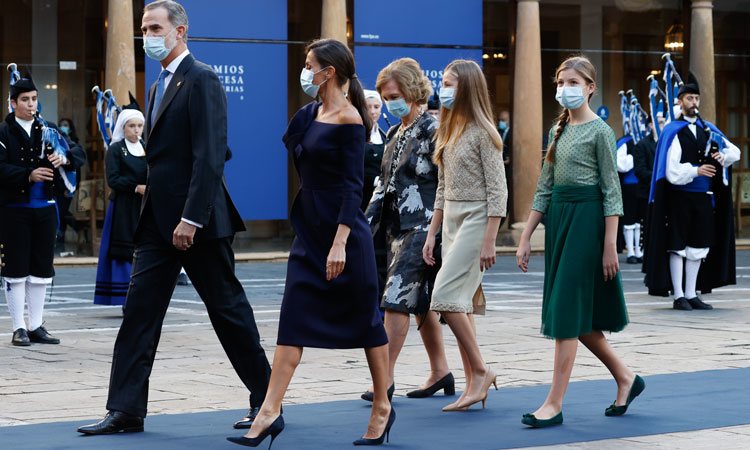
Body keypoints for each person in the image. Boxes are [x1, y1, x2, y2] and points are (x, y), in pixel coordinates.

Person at [77, 0, 271, 435]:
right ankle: (126, 410)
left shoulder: (201, 79)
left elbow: (211, 155)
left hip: (197, 222)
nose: (147, 34)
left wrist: (192, 218)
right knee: (139, 314)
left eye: (154, 27)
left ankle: (267, 400)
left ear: (180, 30)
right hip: (156, 223)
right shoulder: (159, 84)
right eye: (144, 28)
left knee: (228, 312)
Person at [228, 38, 393, 448]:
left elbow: (354, 187)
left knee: (368, 324)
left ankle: (383, 407)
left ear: (328, 71)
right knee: (293, 321)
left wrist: (340, 244)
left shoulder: (352, 119)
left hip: (343, 234)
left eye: (309, 65)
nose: (304, 71)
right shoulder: (310, 112)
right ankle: (269, 411)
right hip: (309, 232)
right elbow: (295, 146)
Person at [516, 55, 643, 428]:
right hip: (560, 223)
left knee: (567, 313)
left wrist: (609, 244)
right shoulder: (557, 131)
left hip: (587, 223)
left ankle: (554, 404)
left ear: (590, 87)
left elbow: (611, 191)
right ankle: (626, 377)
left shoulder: (601, 131)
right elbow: (543, 189)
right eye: (560, 83)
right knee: (573, 313)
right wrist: (525, 237)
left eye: (573, 83)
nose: (565, 89)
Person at [359, 57, 453, 404]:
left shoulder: (433, 129)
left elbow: (448, 181)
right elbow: (383, 185)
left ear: (413, 92)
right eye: (384, 96)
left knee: (396, 300)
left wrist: (443, 228)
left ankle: (385, 377)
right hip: (395, 228)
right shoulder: (394, 132)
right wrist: (364, 226)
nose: (389, 101)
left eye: (394, 94)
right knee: (421, 301)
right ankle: (440, 369)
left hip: (425, 225)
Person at [422, 59, 507, 412]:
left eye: (449, 82)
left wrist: (490, 239)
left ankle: (482, 370)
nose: (442, 87)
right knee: (463, 304)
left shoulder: (484, 132)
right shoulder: (447, 129)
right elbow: (442, 189)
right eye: (442, 81)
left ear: (467, 87)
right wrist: (432, 234)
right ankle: (474, 381)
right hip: (453, 220)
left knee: (443, 297)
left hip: (476, 219)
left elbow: (498, 192)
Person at [643, 73, 740, 310]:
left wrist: (722, 156)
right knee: (677, 245)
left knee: (698, 245)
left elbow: (734, 151)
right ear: (680, 102)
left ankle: (691, 293)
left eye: (696, 98)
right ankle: (678, 295)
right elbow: (671, 169)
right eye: (689, 98)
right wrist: (696, 171)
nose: (694, 102)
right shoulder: (673, 131)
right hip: (680, 198)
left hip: (704, 199)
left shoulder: (709, 129)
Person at [0, 74, 74, 346]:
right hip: (14, 209)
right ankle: (18, 327)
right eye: (25, 100)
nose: (31, 104)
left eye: (34, 99)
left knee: (42, 268)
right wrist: (27, 175)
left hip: (45, 208)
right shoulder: (3, 132)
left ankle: (36, 325)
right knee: (16, 268)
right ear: (13, 102)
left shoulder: (49, 129)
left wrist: (63, 157)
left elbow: (77, 153)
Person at [93, 108, 147, 307]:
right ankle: (125, 298)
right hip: (123, 207)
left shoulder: (146, 147)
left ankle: (142, 296)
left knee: (144, 250)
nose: (136, 130)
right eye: (131, 126)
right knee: (124, 252)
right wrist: (135, 187)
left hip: (143, 206)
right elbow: (113, 180)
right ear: (123, 128)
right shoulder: (116, 149)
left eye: (139, 126)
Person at [632, 114, 665, 245]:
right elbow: (640, 171)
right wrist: (661, 176)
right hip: (647, 193)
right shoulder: (642, 144)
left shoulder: (670, 143)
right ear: (651, 125)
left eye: (663, 122)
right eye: (659, 122)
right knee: (649, 230)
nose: (662, 125)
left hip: (665, 193)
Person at [55, 117, 86, 255]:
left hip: (68, 184)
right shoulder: (57, 139)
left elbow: (76, 168)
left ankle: (69, 233)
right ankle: (74, 230)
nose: (63, 127)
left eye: (66, 125)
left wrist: (73, 186)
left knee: (62, 213)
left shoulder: (74, 144)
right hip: (56, 184)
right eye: (61, 125)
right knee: (59, 213)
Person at [615, 130, 642, 263]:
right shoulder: (626, 142)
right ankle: (631, 251)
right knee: (630, 220)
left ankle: (639, 250)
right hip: (630, 185)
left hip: (644, 185)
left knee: (640, 220)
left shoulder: (647, 139)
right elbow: (620, 165)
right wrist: (634, 156)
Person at [362, 89, 386, 211]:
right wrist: (374, 180)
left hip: (378, 198)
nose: (372, 111)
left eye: (376, 107)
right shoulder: (355, 134)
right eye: (368, 107)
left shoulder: (384, 136)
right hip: (360, 197)